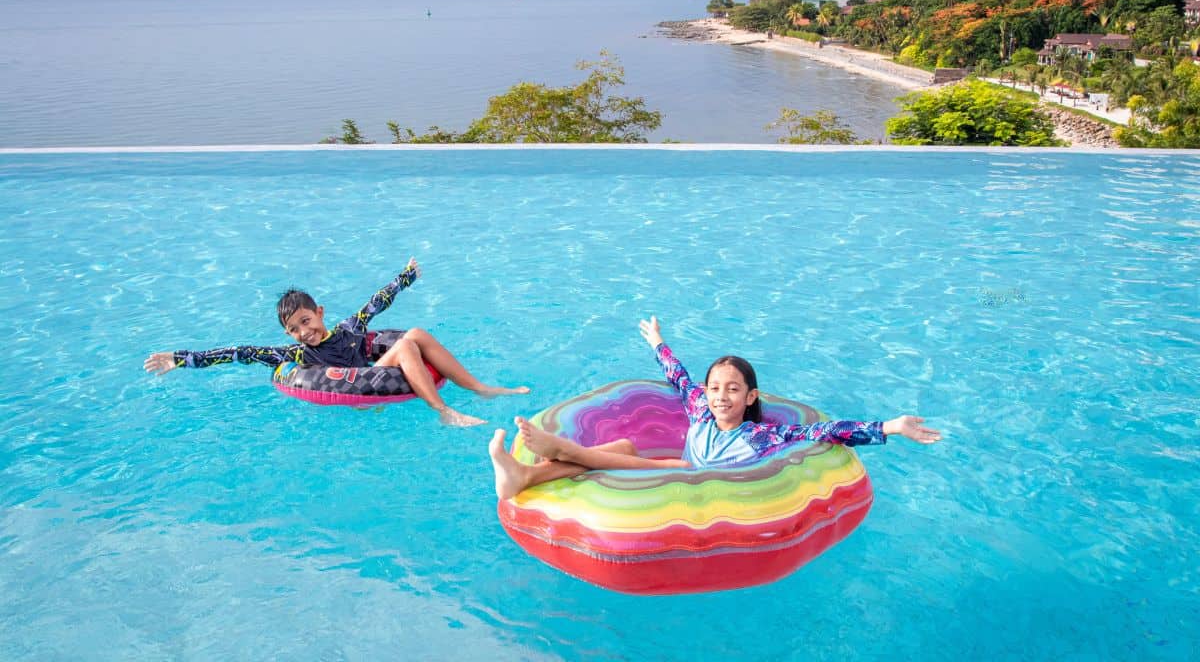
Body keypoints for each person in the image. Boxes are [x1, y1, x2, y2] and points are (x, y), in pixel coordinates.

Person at [490, 315, 941, 497]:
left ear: (751, 397)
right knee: (624, 447)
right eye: (715, 388)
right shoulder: (701, 409)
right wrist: (659, 342)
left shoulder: (765, 435)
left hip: (694, 481)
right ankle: (526, 476)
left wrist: (891, 426)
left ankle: (562, 448)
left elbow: (826, 431)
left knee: (601, 459)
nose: (720, 396)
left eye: (732, 389)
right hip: (676, 465)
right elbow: (679, 377)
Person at [145, 258, 529, 427]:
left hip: (376, 378)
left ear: (321, 313)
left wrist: (406, 277)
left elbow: (378, 301)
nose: (304, 332)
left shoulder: (350, 329)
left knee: (416, 334)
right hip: (360, 395)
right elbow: (238, 352)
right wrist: (180, 359)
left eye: (307, 321)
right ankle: (444, 412)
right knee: (409, 346)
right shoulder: (293, 354)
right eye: (295, 329)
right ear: (288, 335)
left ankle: (481, 388)